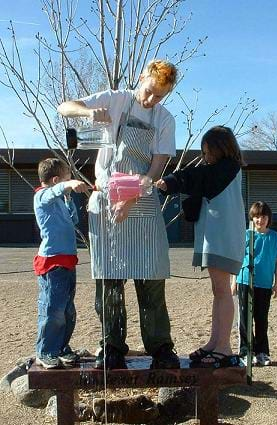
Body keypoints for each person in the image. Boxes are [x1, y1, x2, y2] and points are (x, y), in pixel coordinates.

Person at [57, 59, 180, 370]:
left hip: (142, 200)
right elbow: (64, 107)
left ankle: (161, 347)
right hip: (107, 202)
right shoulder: (115, 99)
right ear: (141, 78)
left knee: (151, 279)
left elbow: (156, 167)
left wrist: (133, 195)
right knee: (109, 282)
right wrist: (88, 112)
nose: (151, 100)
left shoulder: (165, 119)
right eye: (150, 91)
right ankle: (111, 346)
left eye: (159, 96)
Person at [155, 126, 246, 368]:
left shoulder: (228, 169)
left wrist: (172, 182)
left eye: (207, 152)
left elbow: (199, 178)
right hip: (215, 236)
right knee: (219, 291)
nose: (205, 157)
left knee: (223, 290)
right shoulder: (220, 170)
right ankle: (215, 342)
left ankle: (224, 347)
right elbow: (198, 177)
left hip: (222, 237)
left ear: (220, 148)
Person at [33, 158, 88, 369]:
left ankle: (61, 346)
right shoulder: (42, 196)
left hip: (67, 261)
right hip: (52, 262)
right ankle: (46, 350)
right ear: (56, 180)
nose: (70, 180)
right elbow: (52, 192)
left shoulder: (60, 199)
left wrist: (69, 197)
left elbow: (73, 220)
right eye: (67, 176)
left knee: (67, 309)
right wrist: (68, 185)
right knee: (52, 309)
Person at [232, 201, 277, 367]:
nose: (260, 220)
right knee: (245, 318)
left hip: (264, 284)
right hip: (244, 281)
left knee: (261, 318)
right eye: (256, 216)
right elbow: (236, 260)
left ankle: (262, 351)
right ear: (252, 218)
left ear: (268, 218)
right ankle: (245, 351)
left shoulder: (275, 237)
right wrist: (234, 281)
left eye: (263, 216)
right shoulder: (246, 235)